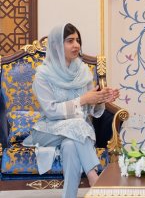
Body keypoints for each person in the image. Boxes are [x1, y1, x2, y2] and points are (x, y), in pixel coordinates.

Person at [23, 23, 120, 198]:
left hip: (76, 133)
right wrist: (83, 99)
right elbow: (51, 111)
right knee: (77, 124)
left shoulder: (83, 72)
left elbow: (90, 110)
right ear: (56, 46)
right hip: (48, 130)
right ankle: (94, 178)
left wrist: (101, 99)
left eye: (77, 40)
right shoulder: (42, 76)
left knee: (69, 146)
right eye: (70, 41)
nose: (76, 45)